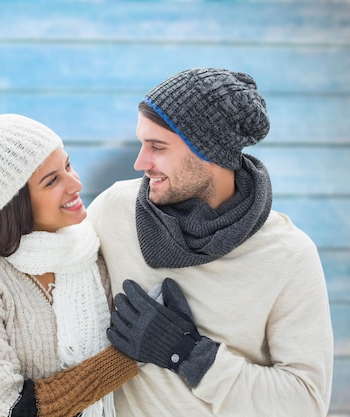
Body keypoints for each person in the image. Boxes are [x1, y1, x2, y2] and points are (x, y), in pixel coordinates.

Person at [87, 68, 334, 416]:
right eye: (142, 143)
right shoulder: (115, 211)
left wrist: (188, 354)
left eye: (158, 147)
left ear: (210, 153)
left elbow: (306, 403)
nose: (141, 163)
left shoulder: (288, 255)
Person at [0, 113, 138, 417]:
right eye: (52, 181)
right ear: (15, 201)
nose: (75, 183)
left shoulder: (91, 248)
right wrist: (129, 357)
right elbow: (7, 409)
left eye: (68, 165)